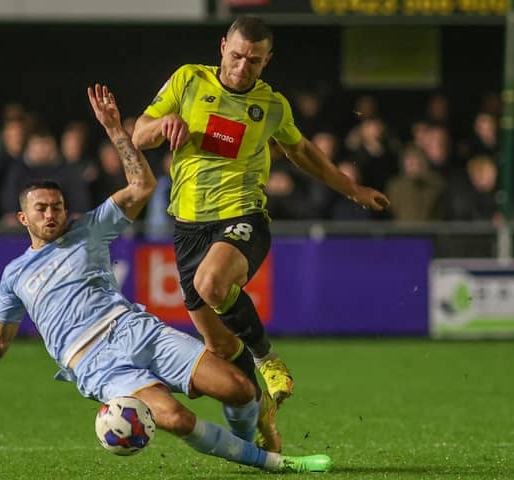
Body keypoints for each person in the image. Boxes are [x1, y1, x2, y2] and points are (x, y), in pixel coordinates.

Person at [0, 84, 332, 474]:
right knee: (175, 417)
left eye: (57, 206)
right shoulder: (14, 275)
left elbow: (142, 185)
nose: (51, 214)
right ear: (23, 218)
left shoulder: (89, 229)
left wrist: (116, 131)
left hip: (136, 328)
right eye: (41, 209)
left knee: (240, 389)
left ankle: (252, 447)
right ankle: (273, 464)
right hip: (97, 363)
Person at [131, 15, 390, 450]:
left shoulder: (271, 107)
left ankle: (268, 358)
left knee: (211, 283)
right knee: (220, 350)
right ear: (221, 48)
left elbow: (302, 151)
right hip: (188, 228)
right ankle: (264, 411)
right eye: (236, 56)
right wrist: (163, 126)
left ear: (267, 60)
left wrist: (353, 189)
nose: (241, 66)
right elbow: (139, 133)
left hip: (243, 216)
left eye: (253, 60)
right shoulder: (188, 81)